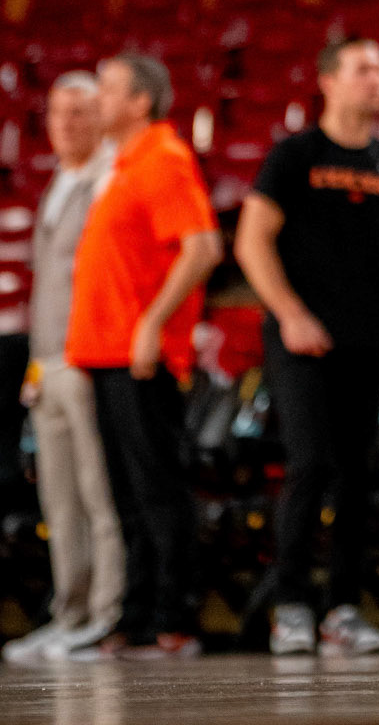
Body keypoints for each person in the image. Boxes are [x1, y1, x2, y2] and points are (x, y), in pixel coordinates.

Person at [234, 36, 379, 658]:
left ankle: (342, 611)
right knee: (309, 465)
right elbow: (251, 241)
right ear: (327, 80)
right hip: (300, 342)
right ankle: (291, 606)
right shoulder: (294, 157)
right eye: (362, 69)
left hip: (365, 339)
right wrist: (291, 313)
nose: (376, 79)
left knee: (357, 476)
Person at [63, 53, 221, 659]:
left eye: (107, 90)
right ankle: (134, 618)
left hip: (138, 355)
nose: (97, 100)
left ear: (141, 102)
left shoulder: (165, 159)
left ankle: (173, 620)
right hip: (103, 352)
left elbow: (203, 248)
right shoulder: (123, 165)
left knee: (158, 488)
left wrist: (153, 324)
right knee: (126, 494)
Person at [3, 75, 124, 664]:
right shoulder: (58, 180)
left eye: (80, 113)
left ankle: (105, 616)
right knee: (59, 499)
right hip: (46, 361)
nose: (67, 124)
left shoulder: (108, 180)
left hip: (87, 356)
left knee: (98, 494)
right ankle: (68, 612)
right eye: (58, 113)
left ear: (101, 117)